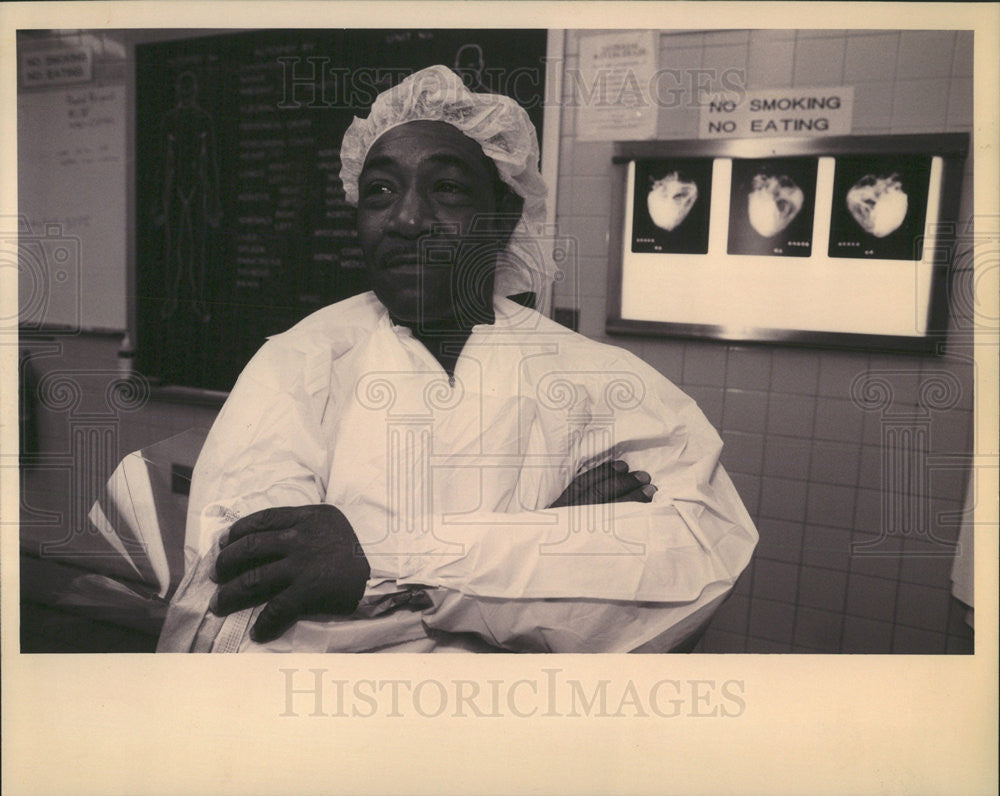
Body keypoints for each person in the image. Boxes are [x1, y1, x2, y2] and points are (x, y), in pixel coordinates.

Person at [158, 65, 757, 653]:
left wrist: (377, 564)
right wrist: (552, 543)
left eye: (446, 188)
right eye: (380, 191)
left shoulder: (598, 380)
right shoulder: (299, 366)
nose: (407, 219)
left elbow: (696, 561)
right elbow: (251, 617)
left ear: (505, 216)